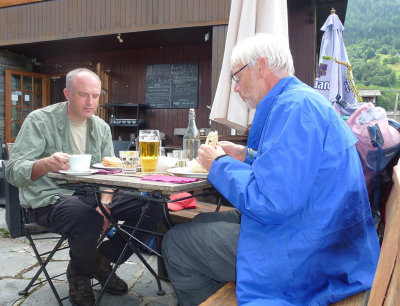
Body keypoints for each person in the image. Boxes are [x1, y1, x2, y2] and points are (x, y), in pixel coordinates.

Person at [162, 34, 380, 305]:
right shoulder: (303, 101)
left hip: (312, 256)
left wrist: (219, 165)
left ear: (261, 67)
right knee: (202, 222)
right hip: (330, 238)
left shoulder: (293, 108)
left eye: (237, 78)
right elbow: (295, 172)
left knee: (177, 243)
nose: (236, 89)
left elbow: (270, 201)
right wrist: (246, 155)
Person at [6, 68, 163, 306]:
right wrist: (46, 164)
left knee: (152, 207)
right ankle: (80, 275)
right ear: (67, 93)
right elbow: (13, 170)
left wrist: (107, 204)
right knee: (86, 217)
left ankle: (102, 259)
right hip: (49, 197)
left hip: (93, 194)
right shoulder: (40, 121)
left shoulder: (100, 127)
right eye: (83, 95)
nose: (91, 102)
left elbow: (109, 172)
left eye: (96, 95)